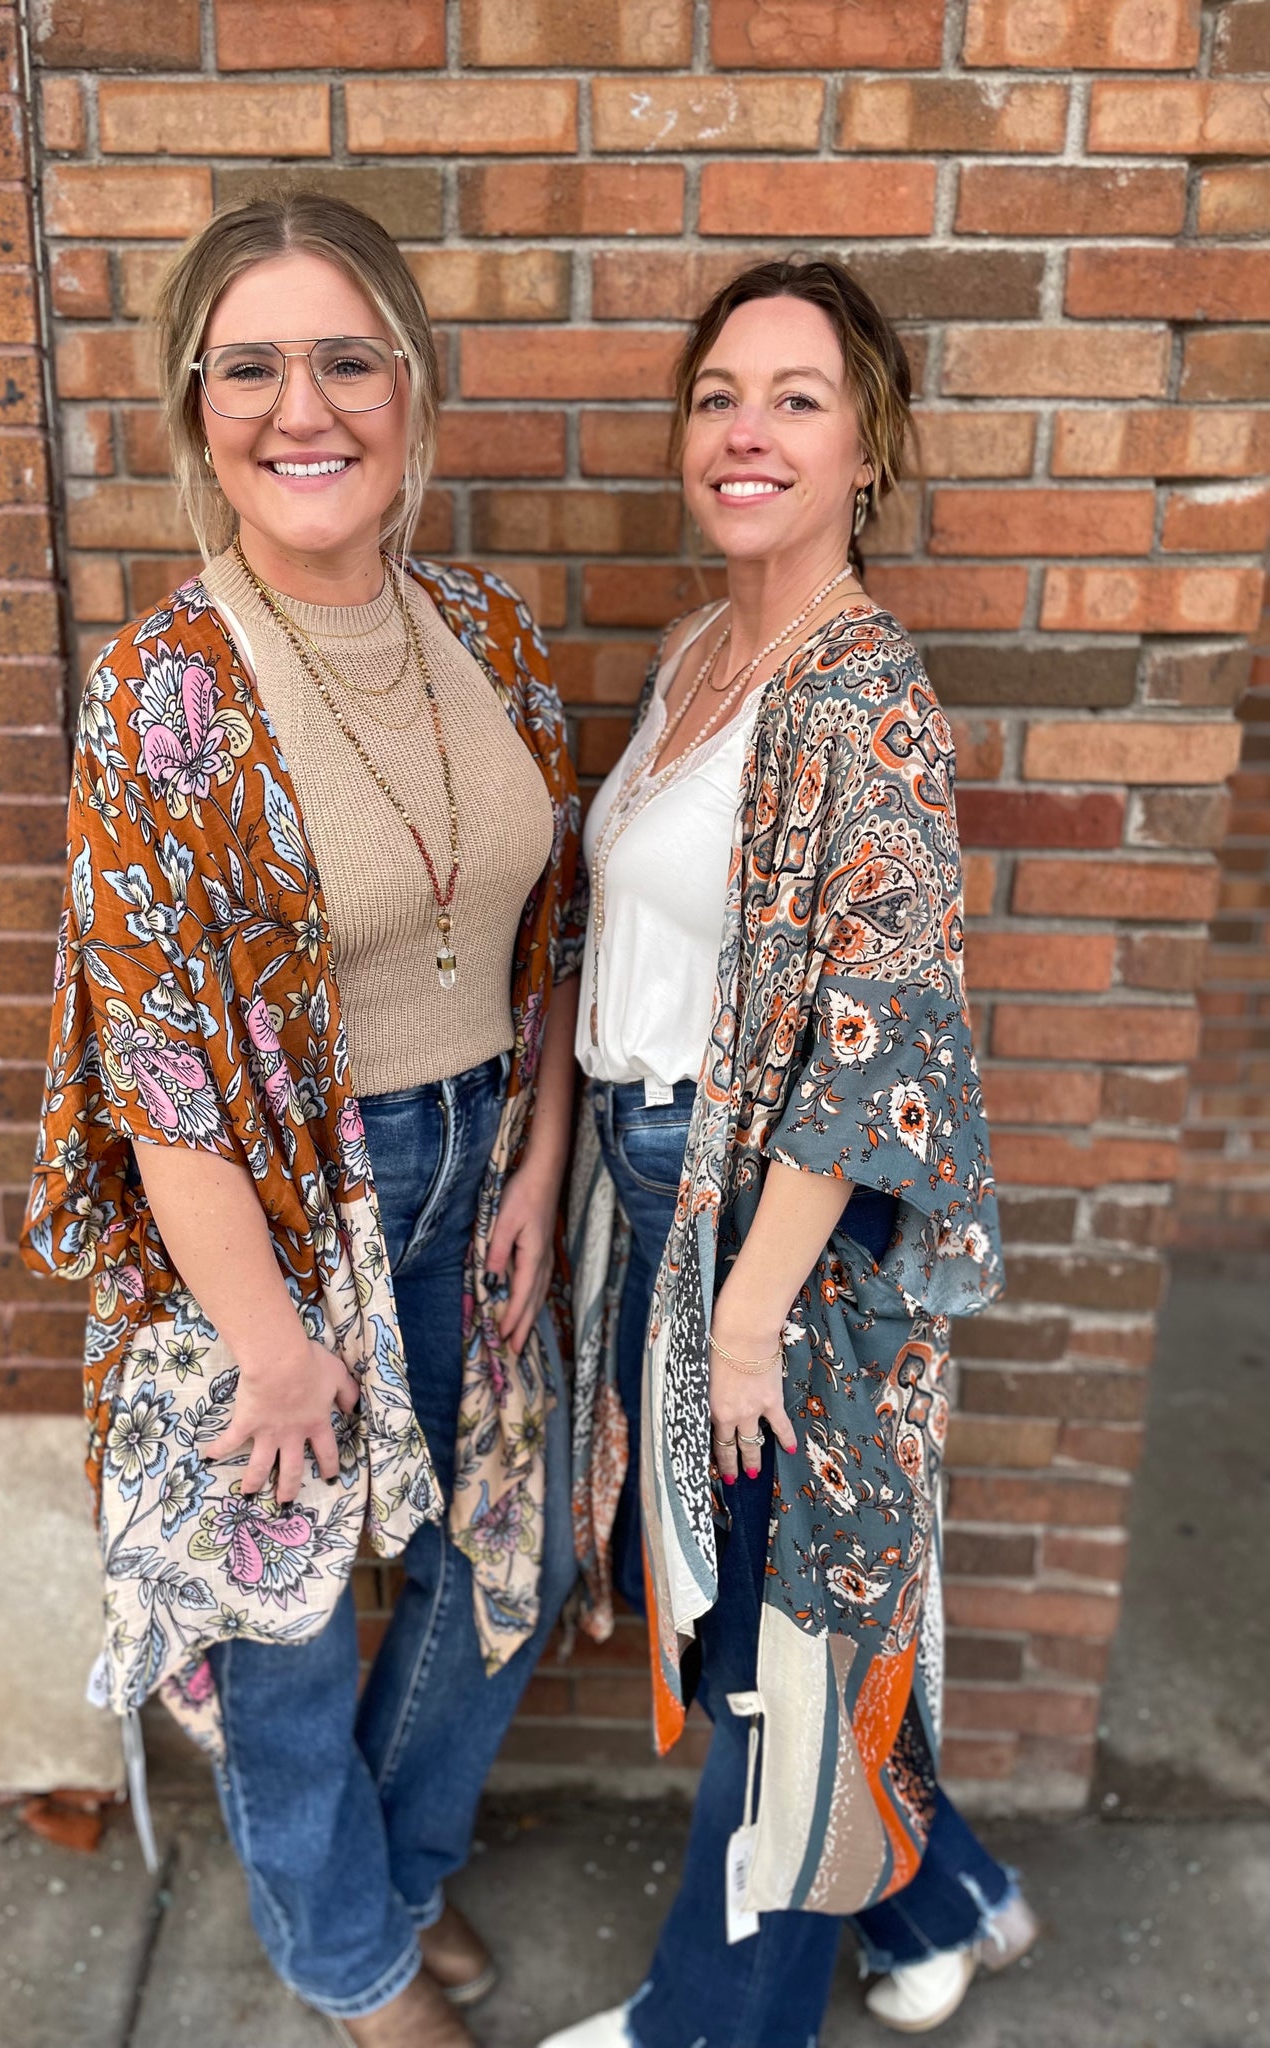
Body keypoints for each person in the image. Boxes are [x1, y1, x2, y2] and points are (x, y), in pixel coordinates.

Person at [21, 194, 586, 2048]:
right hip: (272, 1215)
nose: (303, 406)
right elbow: (158, 1067)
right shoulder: (164, 691)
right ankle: (354, 1971)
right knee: (281, 1628)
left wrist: (541, 1153)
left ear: (410, 386)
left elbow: (545, 938)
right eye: (249, 366)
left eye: (347, 358)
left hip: (480, 1172)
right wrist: (270, 1348)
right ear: (196, 410)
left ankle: (387, 1891)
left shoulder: (488, 633)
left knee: (503, 1559)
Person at [546, 258, 1036, 2048]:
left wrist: (749, 1316)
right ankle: (950, 1893)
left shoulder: (864, 700)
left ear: (866, 452)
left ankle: (712, 2025)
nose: (745, 432)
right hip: (654, 1190)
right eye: (717, 396)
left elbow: (874, 1051)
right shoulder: (699, 653)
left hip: (769, 1235)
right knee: (767, 1610)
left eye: (797, 399)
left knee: (773, 1656)